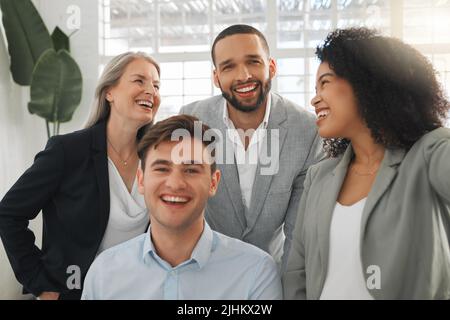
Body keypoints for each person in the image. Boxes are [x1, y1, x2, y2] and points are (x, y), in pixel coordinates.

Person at [283, 28, 450, 300]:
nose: (314, 98)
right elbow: (297, 273)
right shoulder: (319, 176)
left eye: (325, 83)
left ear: (367, 83)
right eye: (315, 89)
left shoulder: (430, 152)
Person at [0, 52, 162, 300]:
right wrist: (41, 284)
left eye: (156, 85)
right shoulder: (68, 151)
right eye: (139, 81)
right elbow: (8, 213)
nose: (150, 90)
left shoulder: (156, 158)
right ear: (109, 92)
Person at [81, 115, 282, 300]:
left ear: (213, 183)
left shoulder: (256, 272)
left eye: (191, 170)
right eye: (162, 169)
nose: (175, 183)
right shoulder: (103, 273)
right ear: (141, 180)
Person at [180, 24, 323, 272]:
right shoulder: (191, 120)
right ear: (216, 78)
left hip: (271, 270)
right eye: (229, 66)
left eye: (253, 62)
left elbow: (298, 234)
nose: (244, 75)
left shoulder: (308, 130)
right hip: (203, 269)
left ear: (271, 67)